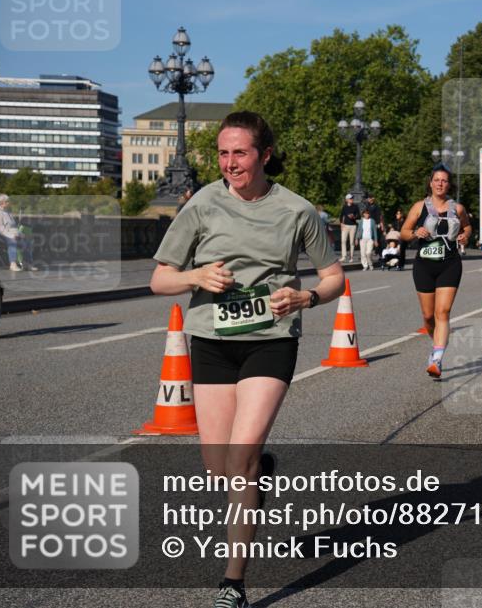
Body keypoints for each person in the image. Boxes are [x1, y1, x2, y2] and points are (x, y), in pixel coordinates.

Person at [148, 111, 344, 608]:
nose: (229, 162)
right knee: (219, 469)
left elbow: (333, 276)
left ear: (265, 154)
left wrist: (307, 300)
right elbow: (160, 279)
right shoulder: (201, 205)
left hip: (271, 338)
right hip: (212, 340)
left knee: (242, 457)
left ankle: (232, 583)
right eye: (222, 153)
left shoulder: (298, 210)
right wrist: (196, 279)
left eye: (240, 152)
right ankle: (259, 468)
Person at [401, 164, 472, 378]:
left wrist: (465, 236)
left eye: (444, 180)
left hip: (449, 264)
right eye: (437, 180)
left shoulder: (457, 209)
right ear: (431, 183)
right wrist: (415, 232)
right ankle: (437, 344)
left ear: (448, 184)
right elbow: (403, 232)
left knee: (443, 312)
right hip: (424, 265)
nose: (440, 183)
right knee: (428, 316)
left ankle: (437, 358)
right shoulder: (418, 207)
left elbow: (467, 226)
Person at [0, 193, 37, 271]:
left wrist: (20, 234)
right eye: (7, 202)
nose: (9, 203)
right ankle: (13, 264)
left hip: (11, 233)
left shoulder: (7, 211)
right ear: (2, 203)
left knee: (26, 241)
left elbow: (14, 227)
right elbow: (0, 229)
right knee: (13, 241)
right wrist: (12, 236)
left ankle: (26, 263)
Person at [339, 193, 359, 262]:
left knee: (351, 242)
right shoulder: (344, 207)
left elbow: (358, 216)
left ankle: (351, 257)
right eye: (350, 198)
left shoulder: (355, 206)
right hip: (345, 226)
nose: (352, 199)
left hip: (353, 226)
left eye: (352, 198)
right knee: (343, 241)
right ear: (347, 200)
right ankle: (344, 256)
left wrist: (353, 217)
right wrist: (341, 224)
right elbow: (341, 216)